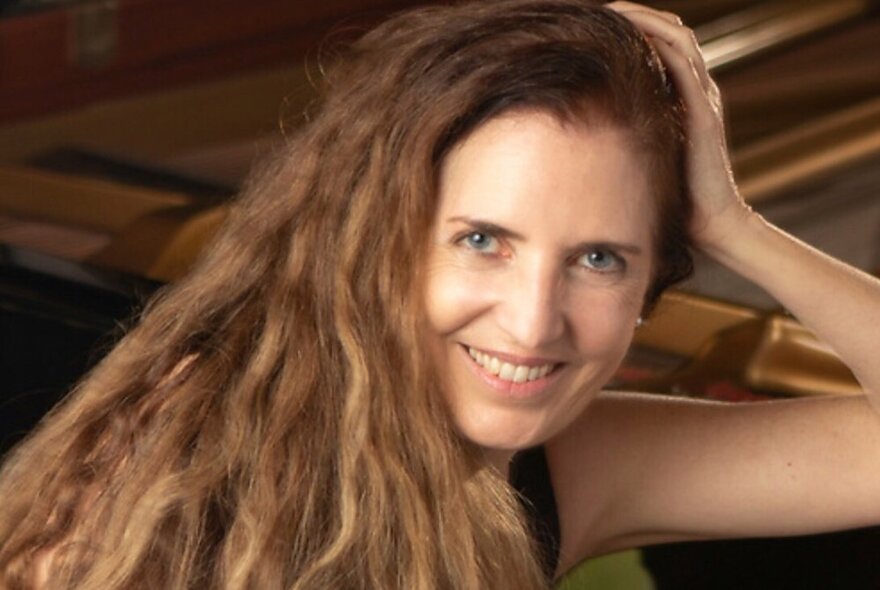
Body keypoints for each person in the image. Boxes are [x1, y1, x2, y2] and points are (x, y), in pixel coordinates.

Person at [1, 0, 879, 588]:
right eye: (482, 241)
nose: (534, 322)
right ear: (376, 239)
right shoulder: (184, 467)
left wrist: (733, 225)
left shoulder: (568, 466)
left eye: (601, 259)